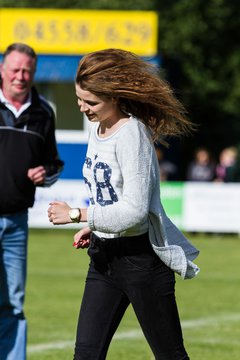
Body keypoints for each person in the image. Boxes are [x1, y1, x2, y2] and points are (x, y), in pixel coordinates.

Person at [48, 48, 200, 360]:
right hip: (104, 259)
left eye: (91, 102)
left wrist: (78, 215)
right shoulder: (98, 128)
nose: (83, 108)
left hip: (141, 262)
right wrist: (97, 228)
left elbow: (133, 211)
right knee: (86, 355)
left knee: (171, 355)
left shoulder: (132, 133)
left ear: (115, 97)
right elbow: (110, 196)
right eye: (79, 99)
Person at [0, 43, 64, 360]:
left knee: (13, 300)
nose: (21, 76)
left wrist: (46, 172)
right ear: (2, 69)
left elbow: (53, 163)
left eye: (27, 70)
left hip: (15, 223)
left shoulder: (43, 112)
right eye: (15, 69)